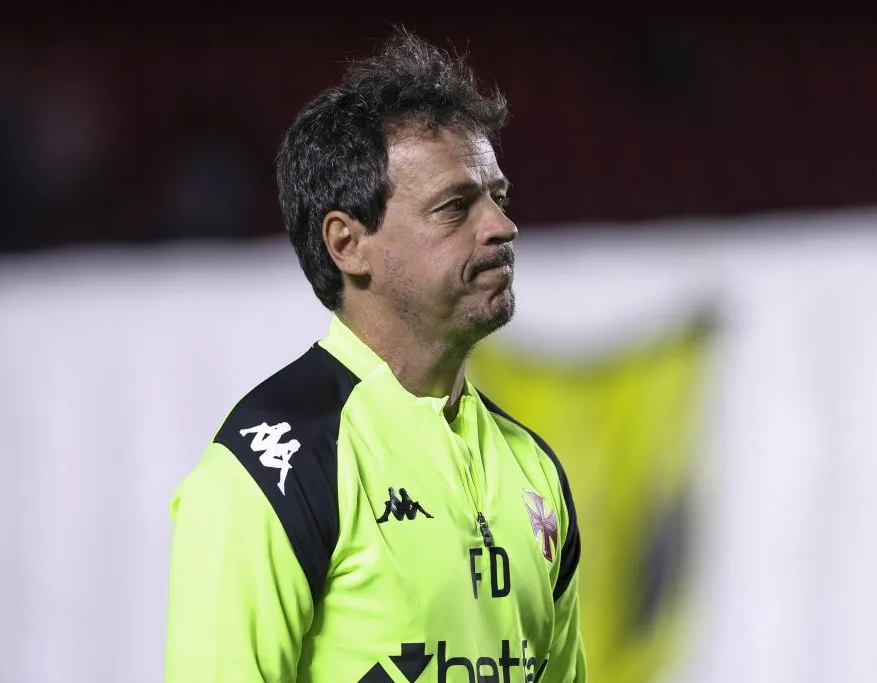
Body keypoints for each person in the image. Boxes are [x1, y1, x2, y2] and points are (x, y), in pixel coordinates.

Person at [165, 27, 586, 683]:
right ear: (348, 244)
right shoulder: (270, 471)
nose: (502, 227)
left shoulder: (534, 468)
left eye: (498, 198)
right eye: (455, 207)